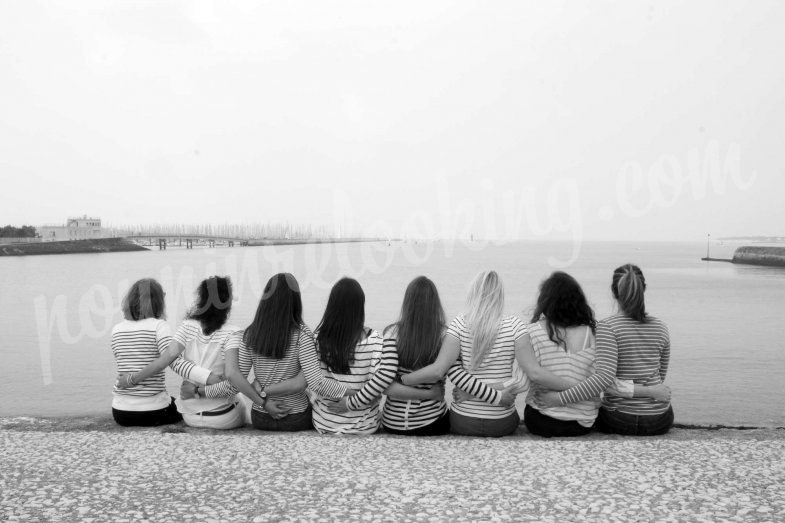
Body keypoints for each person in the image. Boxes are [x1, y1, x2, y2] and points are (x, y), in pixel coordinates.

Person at [402, 270, 577, 437]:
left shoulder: (459, 325)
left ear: (474, 293)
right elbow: (527, 379)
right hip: (502, 422)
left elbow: (440, 369)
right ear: (499, 295)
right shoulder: (515, 326)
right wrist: (577, 387)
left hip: (463, 420)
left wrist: (403, 380)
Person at [538, 264, 673, 436]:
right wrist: (649, 391)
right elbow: (660, 376)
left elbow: (603, 379)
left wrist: (559, 398)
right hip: (659, 420)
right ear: (643, 289)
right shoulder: (661, 328)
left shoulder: (608, 327)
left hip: (619, 418)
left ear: (613, 292)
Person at [203, 273, 348, 431]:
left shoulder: (250, 334)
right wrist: (357, 393)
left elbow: (235, 384)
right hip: (296, 417)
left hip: (261, 417)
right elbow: (316, 383)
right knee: (308, 396)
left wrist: (200, 392)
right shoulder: (302, 335)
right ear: (295, 300)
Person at [111, 278, 218, 427]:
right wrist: (208, 377)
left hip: (120, 412)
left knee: (173, 399)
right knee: (185, 405)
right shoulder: (159, 327)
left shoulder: (117, 329)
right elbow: (175, 362)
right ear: (158, 303)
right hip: (153, 412)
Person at [311, 277, 398, 435]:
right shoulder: (375, 339)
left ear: (332, 305)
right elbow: (379, 385)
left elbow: (316, 382)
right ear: (360, 307)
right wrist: (358, 396)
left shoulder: (318, 339)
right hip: (364, 426)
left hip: (324, 423)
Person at [521, 271, 599, 437]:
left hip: (541, 419)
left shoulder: (532, 331)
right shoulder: (591, 333)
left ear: (545, 301)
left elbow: (530, 377)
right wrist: (584, 391)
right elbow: (601, 378)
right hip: (582, 422)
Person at [381, 276, 451, 436]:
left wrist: (403, 380)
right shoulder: (445, 335)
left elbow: (386, 386)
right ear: (435, 304)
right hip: (433, 423)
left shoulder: (392, 332)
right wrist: (429, 394)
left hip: (392, 423)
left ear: (408, 303)